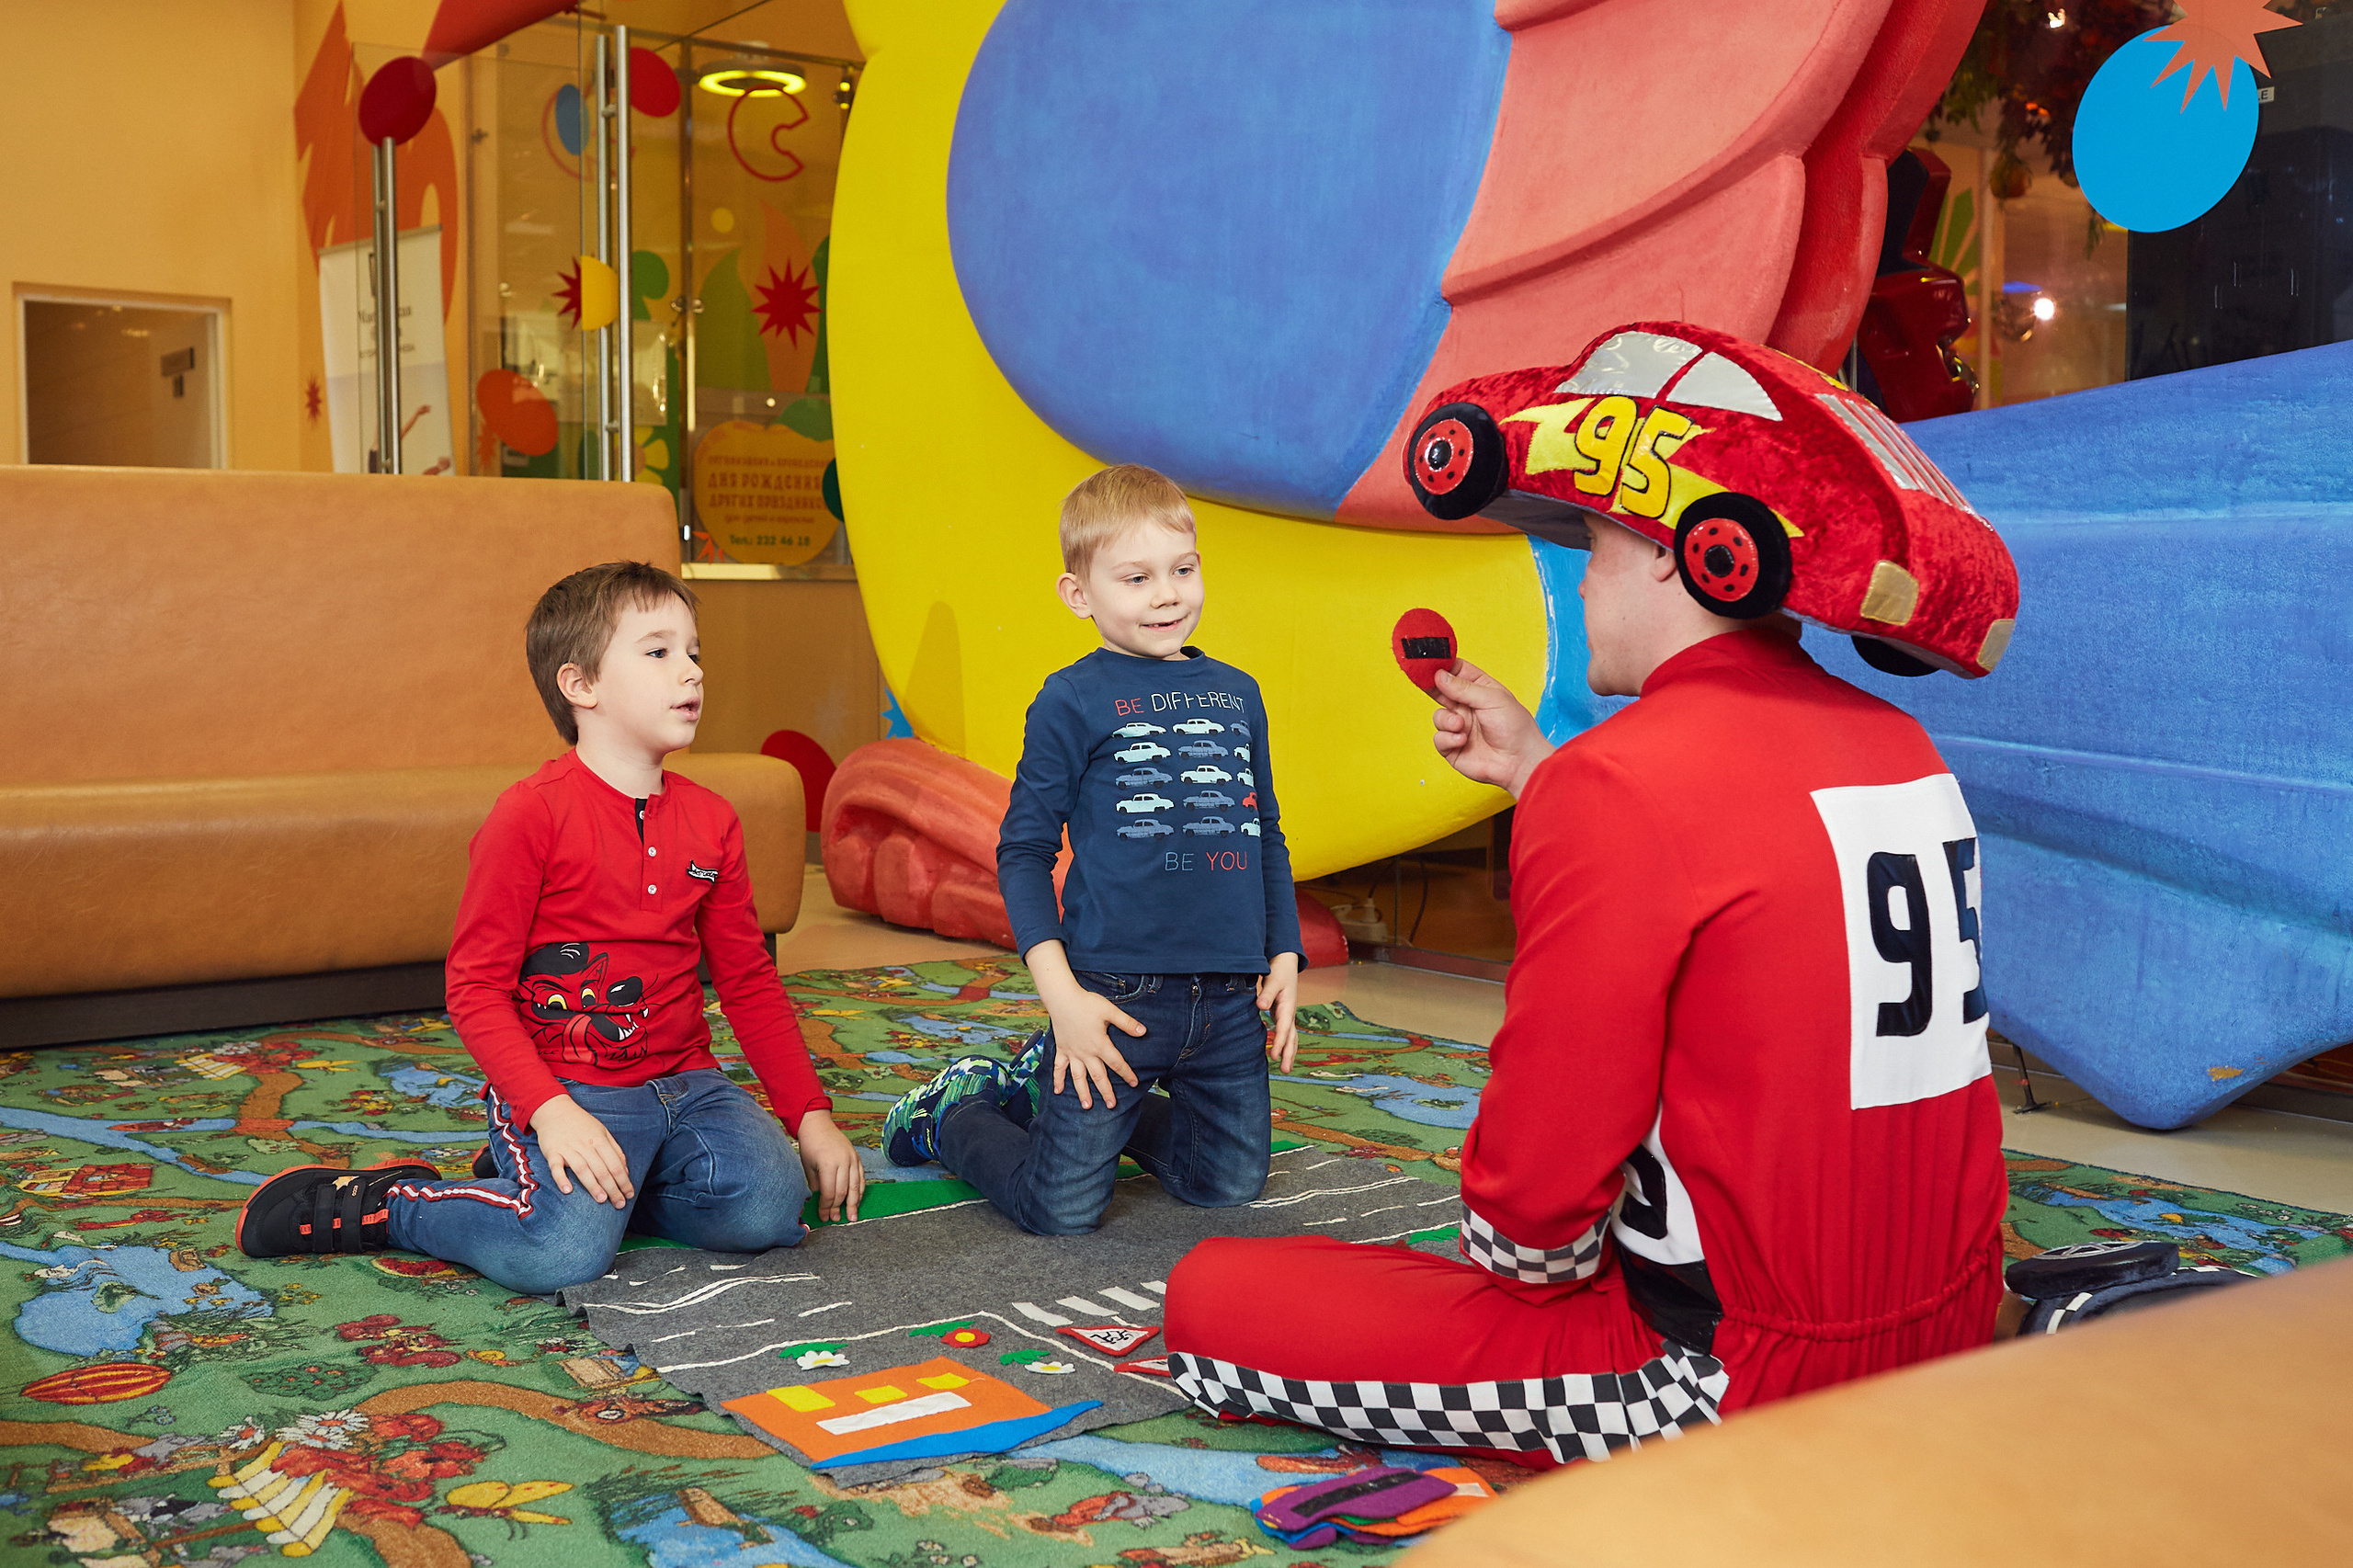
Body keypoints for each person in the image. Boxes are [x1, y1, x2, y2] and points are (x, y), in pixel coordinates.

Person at [1162, 510, 2009, 1463]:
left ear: (1672, 556)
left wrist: (1577, 790)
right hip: (1948, 1324)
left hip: (1730, 1375)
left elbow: (1532, 1222)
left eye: (1595, 549)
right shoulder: (1899, 739)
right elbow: (1741, 868)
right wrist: (1543, 773)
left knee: (1210, 1298)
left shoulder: (1626, 777)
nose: (1578, 580)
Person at [236, 561, 863, 1291]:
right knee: (558, 1255)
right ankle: (395, 1204)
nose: (691, 671)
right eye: (658, 652)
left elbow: (748, 981)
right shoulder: (529, 815)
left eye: (694, 651)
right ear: (581, 685)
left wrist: (810, 1116)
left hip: (685, 1083)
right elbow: (474, 989)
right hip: (567, 1086)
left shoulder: (713, 819)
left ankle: (578, 1192)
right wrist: (551, 1111)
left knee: (768, 1210)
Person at [878, 464, 1304, 1234]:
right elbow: (1023, 851)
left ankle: (1060, 1094)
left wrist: (1284, 953)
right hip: (1113, 995)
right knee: (1062, 1210)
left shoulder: (1240, 693)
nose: (1167, 595)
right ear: (1079, 595)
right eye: (1136, 578)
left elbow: (1265, 830)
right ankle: (958, 1112)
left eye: (1183, 570)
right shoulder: (1070, 698)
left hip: (1229, 1000)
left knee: (1228, 1185)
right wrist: (1064, 1002)